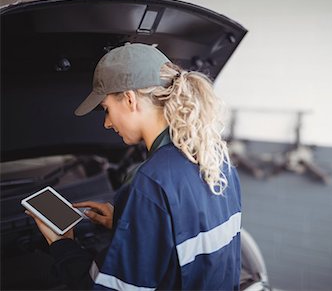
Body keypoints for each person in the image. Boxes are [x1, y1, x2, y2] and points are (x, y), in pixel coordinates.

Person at [25, 43, 242, 290]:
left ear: (129, 99)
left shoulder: (151, 181)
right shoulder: (215, 158)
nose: (107, 123)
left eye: (106, 109)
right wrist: (125, 223)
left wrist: (62, 244)